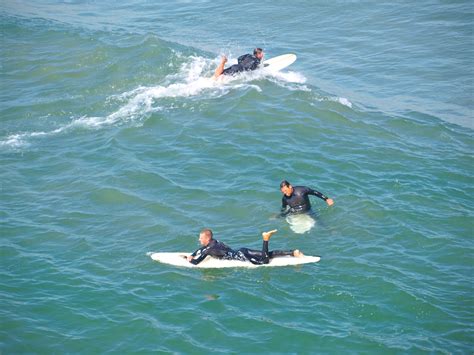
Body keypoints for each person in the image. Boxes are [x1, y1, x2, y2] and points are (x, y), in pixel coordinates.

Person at [187, 228, 303, 265]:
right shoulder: (215, 242)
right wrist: (193, 254)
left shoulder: (209, 249)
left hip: (240, 257)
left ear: (207, 239)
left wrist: (188, 259)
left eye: (200, 238)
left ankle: (265, 239)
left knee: (265, 261)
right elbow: (201, 249)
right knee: (266, 254)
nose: (199, 239)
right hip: (242, 250)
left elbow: (197, 263)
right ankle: (292, 253)